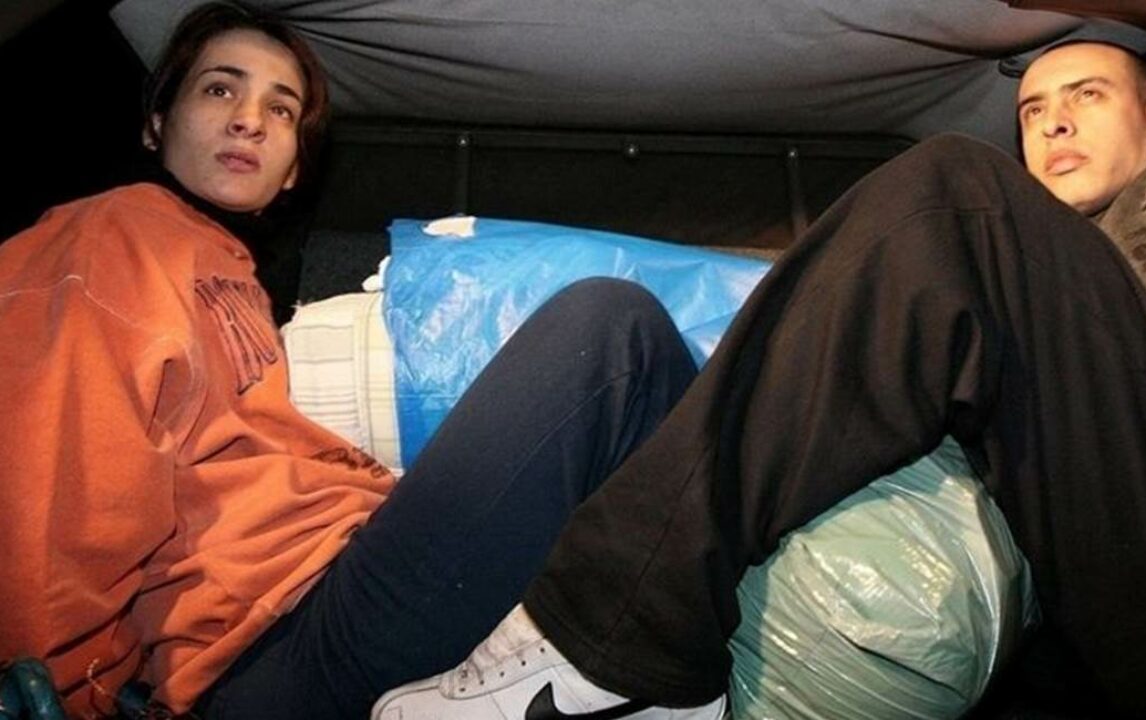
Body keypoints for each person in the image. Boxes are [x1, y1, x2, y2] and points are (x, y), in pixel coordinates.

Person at [374, 19, 1146, 720]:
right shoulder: (1030, 291)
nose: (1055, 123)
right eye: (1032, 112)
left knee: (952, 193)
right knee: (643, 357)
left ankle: (606, 639)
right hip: (1082, 611)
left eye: (1086, 95)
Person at [0, 3, 699, 719]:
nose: (248, 120)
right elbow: (48, 476)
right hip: (278, 643)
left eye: (280, 109)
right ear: (155, 124)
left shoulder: (230, 273)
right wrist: (61, 693)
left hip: (325, 595)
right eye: (219, 89)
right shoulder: (105, 238)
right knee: (613, 335)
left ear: (293, 169)